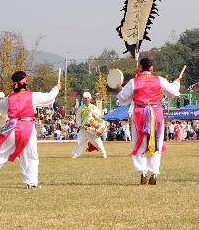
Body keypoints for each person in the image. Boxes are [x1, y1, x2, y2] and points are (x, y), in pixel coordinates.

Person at [0, 71, 60, 188]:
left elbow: (2, 108)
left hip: (12, 128)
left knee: (1, 153)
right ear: (25, 83)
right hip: (28, 128)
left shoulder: (9, 99)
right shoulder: (33, 95)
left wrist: (12, 96)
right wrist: (56, 88)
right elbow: (49, 97)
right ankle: (31, 182)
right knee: (30, 156)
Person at [115, 57, 181, 185]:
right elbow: (172, 91)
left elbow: (123, 97)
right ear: (151, 68)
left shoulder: (134, 82)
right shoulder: (159, 80)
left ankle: (143, 172)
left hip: (140, 113)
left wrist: (119, 88)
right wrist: (177, 82)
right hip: (156, 114)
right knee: (156, 141)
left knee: (139, 142)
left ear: (140, 68)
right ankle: (154, 173)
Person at [72, 92, 107, 159]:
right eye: (85, 98)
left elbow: (98, 116)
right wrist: (79, 125)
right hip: (83, 128)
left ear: (90, 99)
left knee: (97, 141)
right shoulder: (81, 108)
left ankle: (103, 153)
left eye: (87, 98)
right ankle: (76, 154)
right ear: (83, 99)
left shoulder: (94, 108)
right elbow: (78, 117)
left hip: (91, 128)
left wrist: (91, 113)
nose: (86, 100)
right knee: (80, 141)